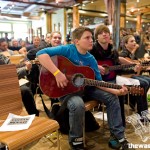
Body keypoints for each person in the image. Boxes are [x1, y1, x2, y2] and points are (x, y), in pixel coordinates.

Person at [36, 26, 134, 150]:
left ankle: (117, 137)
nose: (91, 40)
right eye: (87, 38)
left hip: (87, 88)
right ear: (77, 41)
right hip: (67, 89)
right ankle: (76, 141)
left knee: (112, 97)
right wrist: (57, 73)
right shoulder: (67, 49)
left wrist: (115, 90)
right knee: (77, 104)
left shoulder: (90, 59)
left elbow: (98, 82)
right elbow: (40, 54)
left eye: (91, 38)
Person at [0, 52, 39, 116]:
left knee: (25, 90)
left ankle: (34, 115)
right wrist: (25, 69)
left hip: (7, 83)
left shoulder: (2, 57)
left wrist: (26, 67)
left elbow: (11, 71)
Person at [119, 34, 150, 115]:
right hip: (124, 77)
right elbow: (123, 70)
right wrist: (134, 69)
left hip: (131, 75)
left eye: (134, 41)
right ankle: (142, 112)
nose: (134, 43)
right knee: (143, 83)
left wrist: (141, 67)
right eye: (131, 41)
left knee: (148, 80)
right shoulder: (123, 54)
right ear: (125, 44)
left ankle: (136, 102)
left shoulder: (131, 54)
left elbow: (137, 68)